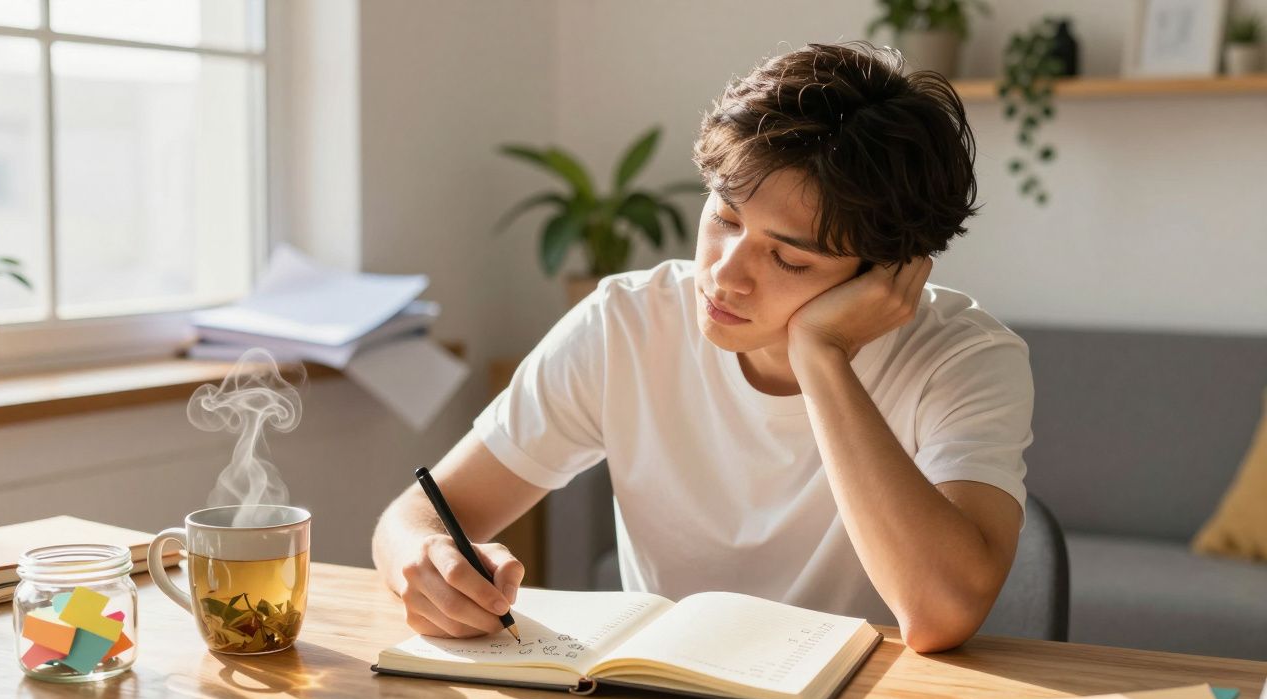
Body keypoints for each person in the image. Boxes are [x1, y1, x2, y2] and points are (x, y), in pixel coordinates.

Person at [372, 42, 1033, 653]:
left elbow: (942, 612)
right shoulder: (627, 324)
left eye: (790, 260)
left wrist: (821, 357)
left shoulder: (964, 360)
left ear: (887, 271)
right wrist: (421, 560)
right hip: (662, 697)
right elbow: (419, 514)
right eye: (724, 218)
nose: (725, 273)